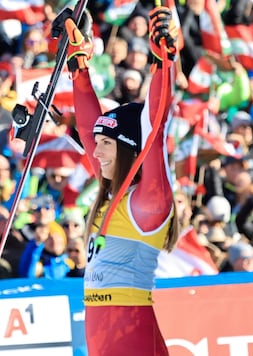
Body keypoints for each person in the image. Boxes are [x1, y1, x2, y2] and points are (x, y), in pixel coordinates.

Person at [67, 7, 179, 355]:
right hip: (106, 333)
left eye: (106, 145)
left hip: (127, 333)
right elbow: (88, 130)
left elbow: (155, 129)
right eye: (96, 145)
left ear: (130, 150)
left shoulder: (146, 203)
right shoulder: (113, 195)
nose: (94, 152)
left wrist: (162, 61)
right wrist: (78, 67)